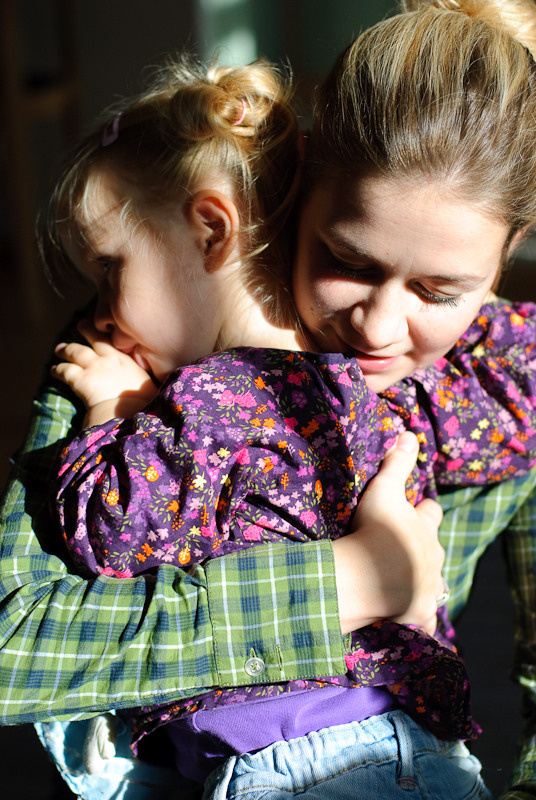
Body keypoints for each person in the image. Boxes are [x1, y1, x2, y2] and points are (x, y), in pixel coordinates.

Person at [2, 0, 536, 795]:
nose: (379, 326)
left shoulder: (504, 383)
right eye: (347, 261)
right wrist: (349, 582)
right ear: (302, 192)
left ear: (507, 258)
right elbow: (13, 651)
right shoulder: (137, 338)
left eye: (438, 289)